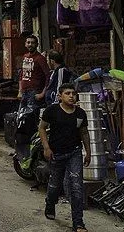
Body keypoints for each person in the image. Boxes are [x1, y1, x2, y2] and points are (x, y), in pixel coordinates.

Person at [39, 82, 91, 232]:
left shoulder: (80, 113)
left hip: (74, 152)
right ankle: (50, 203)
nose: (71, 96)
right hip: (57, 153)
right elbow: (42, 128)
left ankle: (78, 223)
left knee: (76, 187)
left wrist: (88, 152)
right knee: (55, 185)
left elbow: (84, 133)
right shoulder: (52, 111)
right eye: (67, 93)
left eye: (73, 94)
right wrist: (46, 147)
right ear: (60, 96)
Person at [18, 35, 50, 114]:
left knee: (31, 117)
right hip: (24, 92)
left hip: (34, 92)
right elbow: (22, 74)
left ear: (37, 45)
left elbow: (48, 76)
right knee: (21, 116)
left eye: (32, 43)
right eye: (28, 42)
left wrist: (43, 93)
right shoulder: (25, 57)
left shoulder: (40, 58)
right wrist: (20, 90)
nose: (30, 45)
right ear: (25, 44)